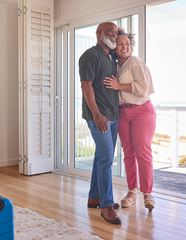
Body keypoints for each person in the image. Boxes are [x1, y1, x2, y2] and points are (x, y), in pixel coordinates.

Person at [103, 28, 156, 212]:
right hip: (122, 113)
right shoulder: (113, 64)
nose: (124, 47)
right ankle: (132, 192)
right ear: (114, 47)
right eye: (120, 44)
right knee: (128, 153)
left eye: (127, 43)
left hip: (141, 111)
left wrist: (119, 86)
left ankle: (147, 193)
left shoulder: (135, 62)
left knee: (143, 152)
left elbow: (143, 88)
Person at [79, 22, 121, 225]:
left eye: (115, 32)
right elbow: (86, 85)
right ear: (98, 34)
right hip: (99, 117)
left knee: (101, 157)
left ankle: (94, 197)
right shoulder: (90, 55)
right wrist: (96, 114)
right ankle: (106, 206)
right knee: (106, 160)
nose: (113, 35)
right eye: (109, 32)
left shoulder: (112, 58)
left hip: (113, 116)